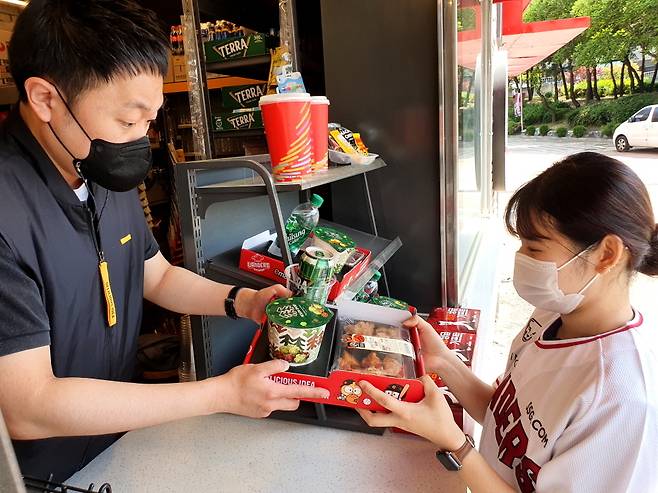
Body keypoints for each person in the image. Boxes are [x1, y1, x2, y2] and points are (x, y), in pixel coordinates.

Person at [0, 0, 327, 481]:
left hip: (114, 448)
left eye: (149, 121)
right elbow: (29, 407)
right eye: (128, 122)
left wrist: (245, 301)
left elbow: (155, 274)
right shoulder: (8, 213)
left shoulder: (93, 167)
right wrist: (222, 394)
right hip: (42, 474)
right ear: (46, 98)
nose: (139, 139)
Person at [357, 152, 658, 492]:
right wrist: (442, 360)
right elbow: (505, 419)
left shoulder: (623, 401)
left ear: (606, 255)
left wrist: (456, 445)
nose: (520, 259)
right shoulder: (553, 312)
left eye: (535, 248)